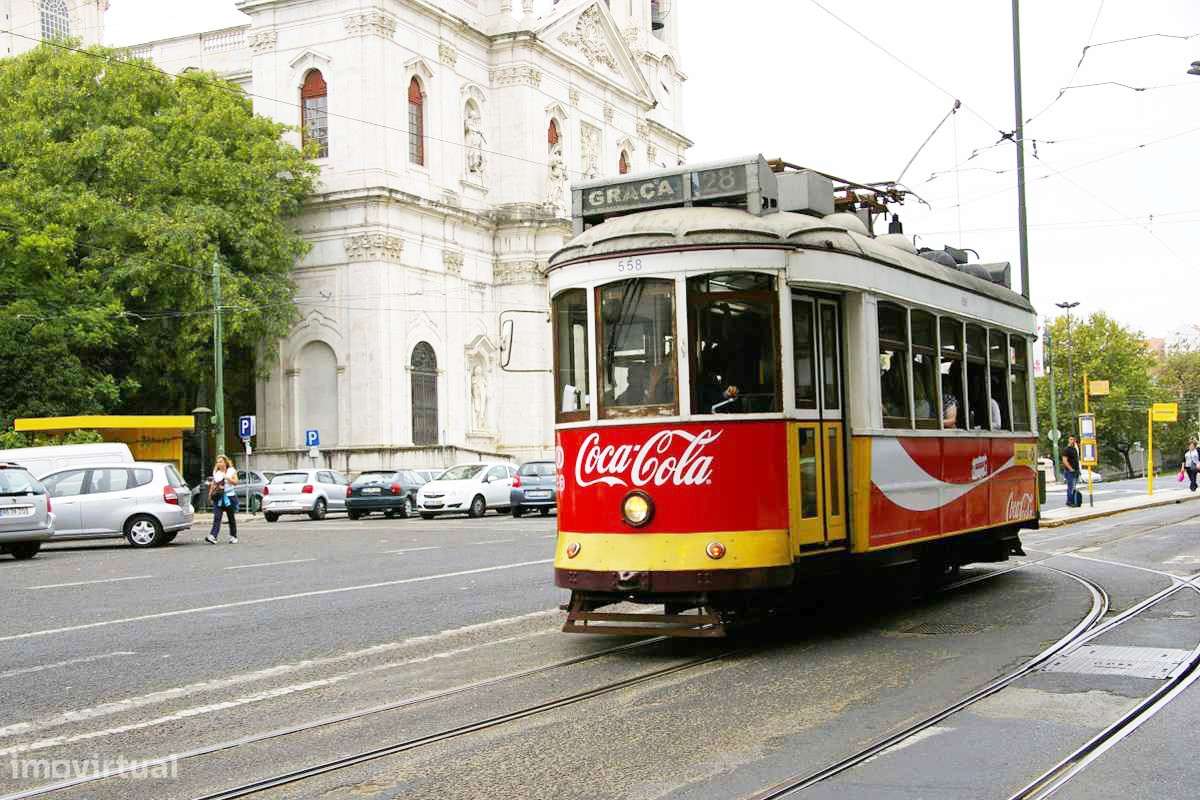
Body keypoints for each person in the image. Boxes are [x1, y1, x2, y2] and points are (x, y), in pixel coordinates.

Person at [206, 454, 240, 544]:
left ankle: (233, 536)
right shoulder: (216, 473)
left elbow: (236, 482)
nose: (219, 463)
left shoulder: (231, 471)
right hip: (218, 497)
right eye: (217, 462)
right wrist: (210, 495)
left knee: (231, 518)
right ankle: (213, 536)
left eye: (220, 461)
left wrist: (227, 478)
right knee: (217, 517)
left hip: (230, 497)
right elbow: (213, 484)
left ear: (225, 462)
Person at [1061, 435, 1081, 508]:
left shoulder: (1074, 449)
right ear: (1068, 440)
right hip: (1070, 472)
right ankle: (1069, 502)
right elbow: (1064, 460)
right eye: (1071, 439)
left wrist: (1078, 470)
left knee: (1073, 487)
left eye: (1073, 439)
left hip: (1075, 471)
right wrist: (1070, 469)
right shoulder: (1066, 449)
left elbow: (1076, 461)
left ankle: (1073, 501)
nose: (1072, 441)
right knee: (1070, 487)